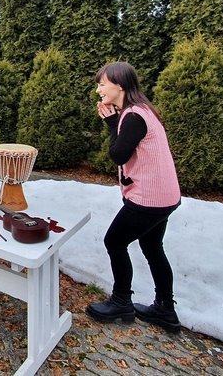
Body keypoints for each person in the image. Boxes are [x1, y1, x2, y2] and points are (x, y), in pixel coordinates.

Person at [86, 61, 182, 333]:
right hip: (165, 197)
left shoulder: (132, 117)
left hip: (148, 199)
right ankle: (165, 309)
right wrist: (115, 121)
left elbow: (118, 154)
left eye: (102, 83)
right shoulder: (143, 110)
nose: (98, 89)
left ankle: (121, 302)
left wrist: (111, 123)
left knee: (114, 242)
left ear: (120, 85)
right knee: (153, 248)